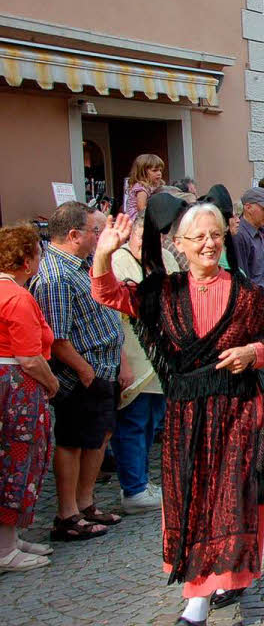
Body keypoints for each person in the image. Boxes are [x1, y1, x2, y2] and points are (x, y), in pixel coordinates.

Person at [91, 201, 264, 626]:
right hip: (187, 417)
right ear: (179, 245)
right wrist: (103, 253)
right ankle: (200, 590)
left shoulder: (246, 292)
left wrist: (253, 352)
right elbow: (108, 293)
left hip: (237, 411)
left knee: (233, 496)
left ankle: (222, 579)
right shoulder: (163, 291)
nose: (209, 243)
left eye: (215, 235)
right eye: (199, 237)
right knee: (194, 498)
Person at [31, 202, 125, 542]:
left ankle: (86, 503)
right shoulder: (55, 276)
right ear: (74, 235)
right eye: (93, 231)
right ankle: (67, 513)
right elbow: (57, 337)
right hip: (81, 373)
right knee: (72, 441)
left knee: (98, 436)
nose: (98, 236)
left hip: (103, 368)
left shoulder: (82, 265)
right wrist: (88, 374)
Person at [109, 215, 179, 515]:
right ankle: (133, 487)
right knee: (134, 422)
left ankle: (141, 481)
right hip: (135, 350)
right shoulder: (118, 261)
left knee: (152, 421)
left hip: (162, 353)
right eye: (141, 240)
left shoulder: (163, 257)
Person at [0, 224, 59, 572]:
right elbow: (30, 357)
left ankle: (10, 538)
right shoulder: (17, 297)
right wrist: (51, 383)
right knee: (17, 461)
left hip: (10, 383)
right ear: (26, 260)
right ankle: (6, 547)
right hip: (17, 388)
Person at [233, 187, 264, 302]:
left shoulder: (258, 231)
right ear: (248, 207)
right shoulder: (240, 235)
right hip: (254, 302)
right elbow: (242, 279)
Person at [123, 154, 165, 222]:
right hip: (137, 220)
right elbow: (141, 209)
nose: (159, 173)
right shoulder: (141, 187)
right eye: (154, 170)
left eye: (160, 170)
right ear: (143, 172)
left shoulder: (155, 185)